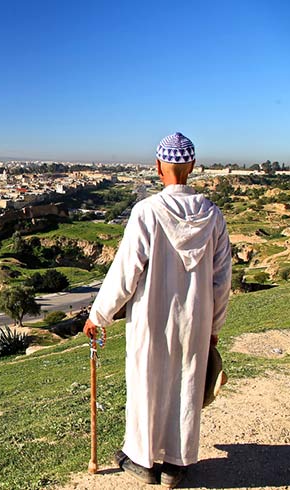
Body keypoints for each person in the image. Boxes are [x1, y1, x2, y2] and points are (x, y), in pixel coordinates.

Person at [83, 132, 232, 488]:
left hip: (151, 319)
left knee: (146, 385)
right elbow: (221, 280)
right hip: (194, 320)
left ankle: (143, 460)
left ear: (158, 167)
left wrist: (98, 315)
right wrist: (214, 325)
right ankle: (175, 466)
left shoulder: (147, 212)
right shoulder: (212, 216)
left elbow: (124, 272)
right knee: (186, 384)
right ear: (191, 166)